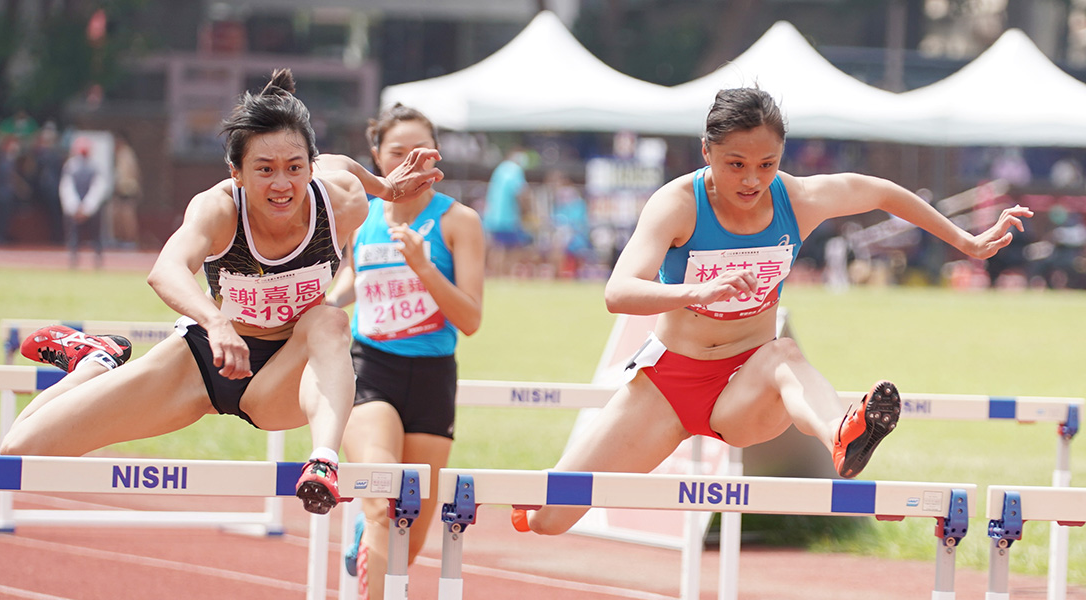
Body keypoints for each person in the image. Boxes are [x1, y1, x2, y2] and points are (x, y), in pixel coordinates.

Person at [513, 87, 1031, 536]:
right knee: (550, 519)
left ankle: (843, 434)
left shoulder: (797, 199)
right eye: (735, 164)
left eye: (767, 164)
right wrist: (697, 293)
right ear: (707, 153)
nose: (751, 181)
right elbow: (618, 292)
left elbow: (881, 192)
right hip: (668, 386)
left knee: (785, 352)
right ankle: (532, 513)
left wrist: (965, 239)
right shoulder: (677, 204)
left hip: (747, 381)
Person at [0, 69, 444, 517]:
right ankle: (94, 363)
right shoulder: (218, 209)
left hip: (282, 376)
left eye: (295, 168)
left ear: (311, 165)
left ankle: (323, 461)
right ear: (236, 172)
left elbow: (344, 166)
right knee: (16, 452)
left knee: (328, 320)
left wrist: (385, 188)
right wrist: (215, 323)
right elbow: (166, 270)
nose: (282, 185)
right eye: (264, 170)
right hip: (202, 363)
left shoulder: (342, 200)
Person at [321, 103, 484, 600]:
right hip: (371, 369)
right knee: (383, 497)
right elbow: (353, 273)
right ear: (377, 157)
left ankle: (367, 548)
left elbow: (471, 319)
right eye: (398, 153)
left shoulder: (459, 221)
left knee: (408, 532)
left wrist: (424, 266)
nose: (411, 163)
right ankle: (369, 535)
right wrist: (323, 305)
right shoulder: (361, 214)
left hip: (434, 375)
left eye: (422, 152)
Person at [482, 146, 532, 276]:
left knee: (498, 247)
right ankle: (505, 273)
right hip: (507, 217)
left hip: (493, 216)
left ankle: (495, 274)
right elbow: (520, 192)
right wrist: (527, 211)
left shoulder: (500, 169)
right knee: (512, 248)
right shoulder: (514, 170)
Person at [59, 136, 108, 268]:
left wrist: (86, 208)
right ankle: (74, 260)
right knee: (74, 237)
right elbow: (67, 187)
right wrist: (76, 207)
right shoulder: (70, 166)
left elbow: (97, 188)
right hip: (78, 209)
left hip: (88, 209)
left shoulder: (94, 166)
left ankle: (97, 261)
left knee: (96, 236)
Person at [0, 135, 29, 244]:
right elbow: (10, 177)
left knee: (5, 218)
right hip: (3, 194)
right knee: (2, 218)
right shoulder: (5, 160)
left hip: (5, 194)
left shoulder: (8, 160)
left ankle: (1, 237)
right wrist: (22, 188)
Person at [110, 130, 142, 249]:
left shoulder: (126, 154)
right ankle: (121, 239)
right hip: (122, 189)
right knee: (117, 215)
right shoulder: (120, 154)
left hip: (127, 190)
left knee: (127, 216)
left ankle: (130, 240)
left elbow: (127, 174)